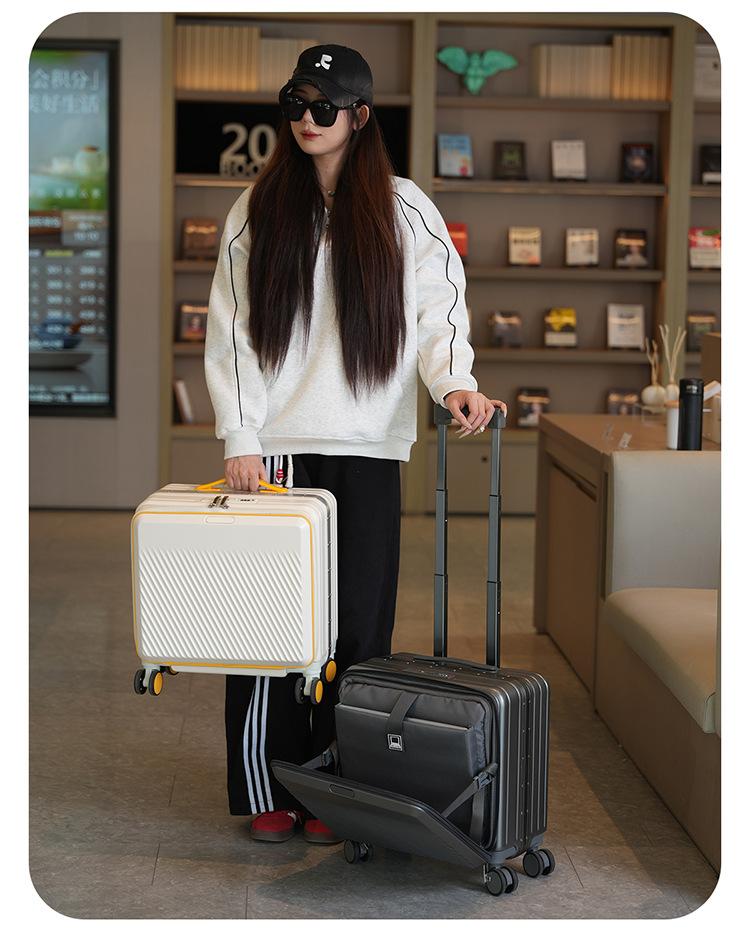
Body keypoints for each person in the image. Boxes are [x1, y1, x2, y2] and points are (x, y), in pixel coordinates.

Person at [204, 43, 507, 845]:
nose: (307, 120)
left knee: (358, 632)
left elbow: (440, 311)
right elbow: (231, 333)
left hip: (370, 446)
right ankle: (268, 785)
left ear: (359, 115)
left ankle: (338, 790)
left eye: (324, 107)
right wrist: (241, 434)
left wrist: (455, 383)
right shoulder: (256, 209)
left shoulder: (405, 207)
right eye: (296, 105)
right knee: (267, 625)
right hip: (274, 449)